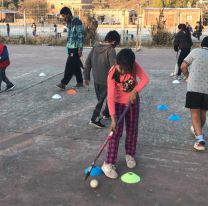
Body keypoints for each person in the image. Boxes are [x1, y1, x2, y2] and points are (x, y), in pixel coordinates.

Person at [101, 49, 149, 179]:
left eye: (124, 69)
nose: (121, 71)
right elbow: (110, 97)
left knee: (132, 130)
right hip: (117, 104)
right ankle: (108, 163)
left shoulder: (134, 66)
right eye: (120, 67)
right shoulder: (112, 73)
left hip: (132, 103)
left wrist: (135, 91)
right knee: (115, 133)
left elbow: (145, 79)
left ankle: (130, 154)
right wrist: (113, 118)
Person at [84, 30, 120, 129]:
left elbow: (87, 63)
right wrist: (118, 80)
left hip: (96, 80)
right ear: (114, 41)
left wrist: (86, 76)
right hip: (106, 81)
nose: (115, 46)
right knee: (103, 100)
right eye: (116, 44)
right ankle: (94, 119)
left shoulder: (95, 47)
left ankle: (107, 113)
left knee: (105, 98)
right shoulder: (111, 50)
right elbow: (114, 68)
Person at [181, 36, 208, 151]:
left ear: (202, 44)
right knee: (203, 113)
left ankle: (200, 140)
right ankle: (198, 133)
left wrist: (187, 76)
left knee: (194, 113)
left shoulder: (196, 51)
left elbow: (183, 66)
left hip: (194, 87)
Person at [56, 7, 84, 90]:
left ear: (68, 14)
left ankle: (63, 83)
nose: (63, 18)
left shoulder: (77, 22)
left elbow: (80, 36)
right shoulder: (69, 22)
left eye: (64, 16)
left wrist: (80, 49)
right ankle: (80, 82)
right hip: (70, 47)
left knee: (69, 65)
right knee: (75, 65)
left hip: (75, 47)